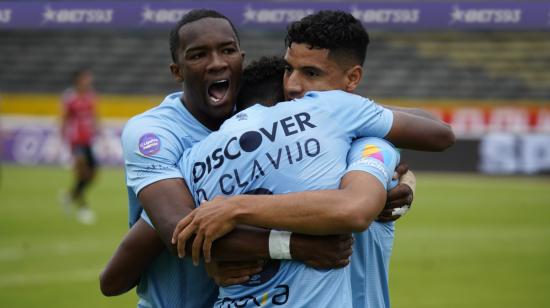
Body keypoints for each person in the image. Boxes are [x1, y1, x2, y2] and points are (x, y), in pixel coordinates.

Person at [179, 11, 445, 308]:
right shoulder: (363, 143)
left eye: (311, 73)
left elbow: (149, 247)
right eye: (288, 70)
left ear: (353, 78)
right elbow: (356, 208)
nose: (293, 85)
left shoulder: (195, 158)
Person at [60, 68, 98, 225]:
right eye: (86, 78)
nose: (89, 81)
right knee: (82, 171)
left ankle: (70, 195)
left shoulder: (91, 96)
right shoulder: (70, 98)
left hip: (87, 140)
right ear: (78, 80)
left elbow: (94, 117)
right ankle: (83, 208)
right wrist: (63, 140)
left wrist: (98, 132)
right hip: (75, 141)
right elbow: (64, 119)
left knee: (92, 175)